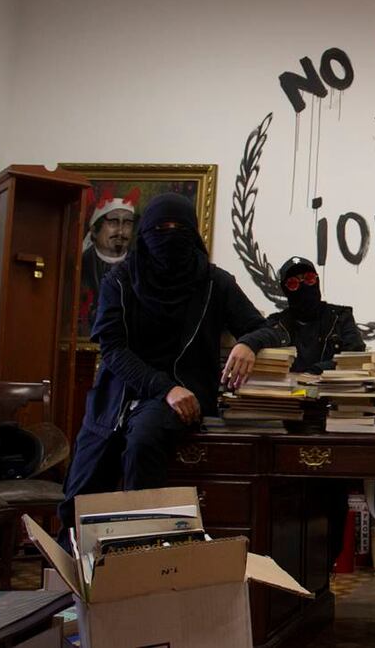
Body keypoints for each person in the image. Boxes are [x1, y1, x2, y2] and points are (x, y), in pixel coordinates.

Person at [60, 193, 288, 538]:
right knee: (82, 489)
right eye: (160, 229)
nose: (169, 235)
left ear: (193, 233)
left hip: (179, 400)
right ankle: (73, 573)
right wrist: (164, 387)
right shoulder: (120, 281)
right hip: (116, 398)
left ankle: (141, 551)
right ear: (145, 233)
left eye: (178, 228)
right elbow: (113, 348)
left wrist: (248, 342)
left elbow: (268, 329)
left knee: (143, 444)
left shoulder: (215, 283)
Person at [265, 257, 364, 374]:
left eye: (309, 279)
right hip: (287, 390)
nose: (304, 286)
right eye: (293, 283)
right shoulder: (277, 323)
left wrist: (318, 370)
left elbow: (355, 358)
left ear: (317, 281)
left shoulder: (340, 317)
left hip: (331, 389)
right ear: (285, 290)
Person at [78, 189, 138, 337]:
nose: (121, 231)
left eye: (127, 223)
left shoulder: (140, 266)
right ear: (94, 230)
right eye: (113, 222)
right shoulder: (79, 266)